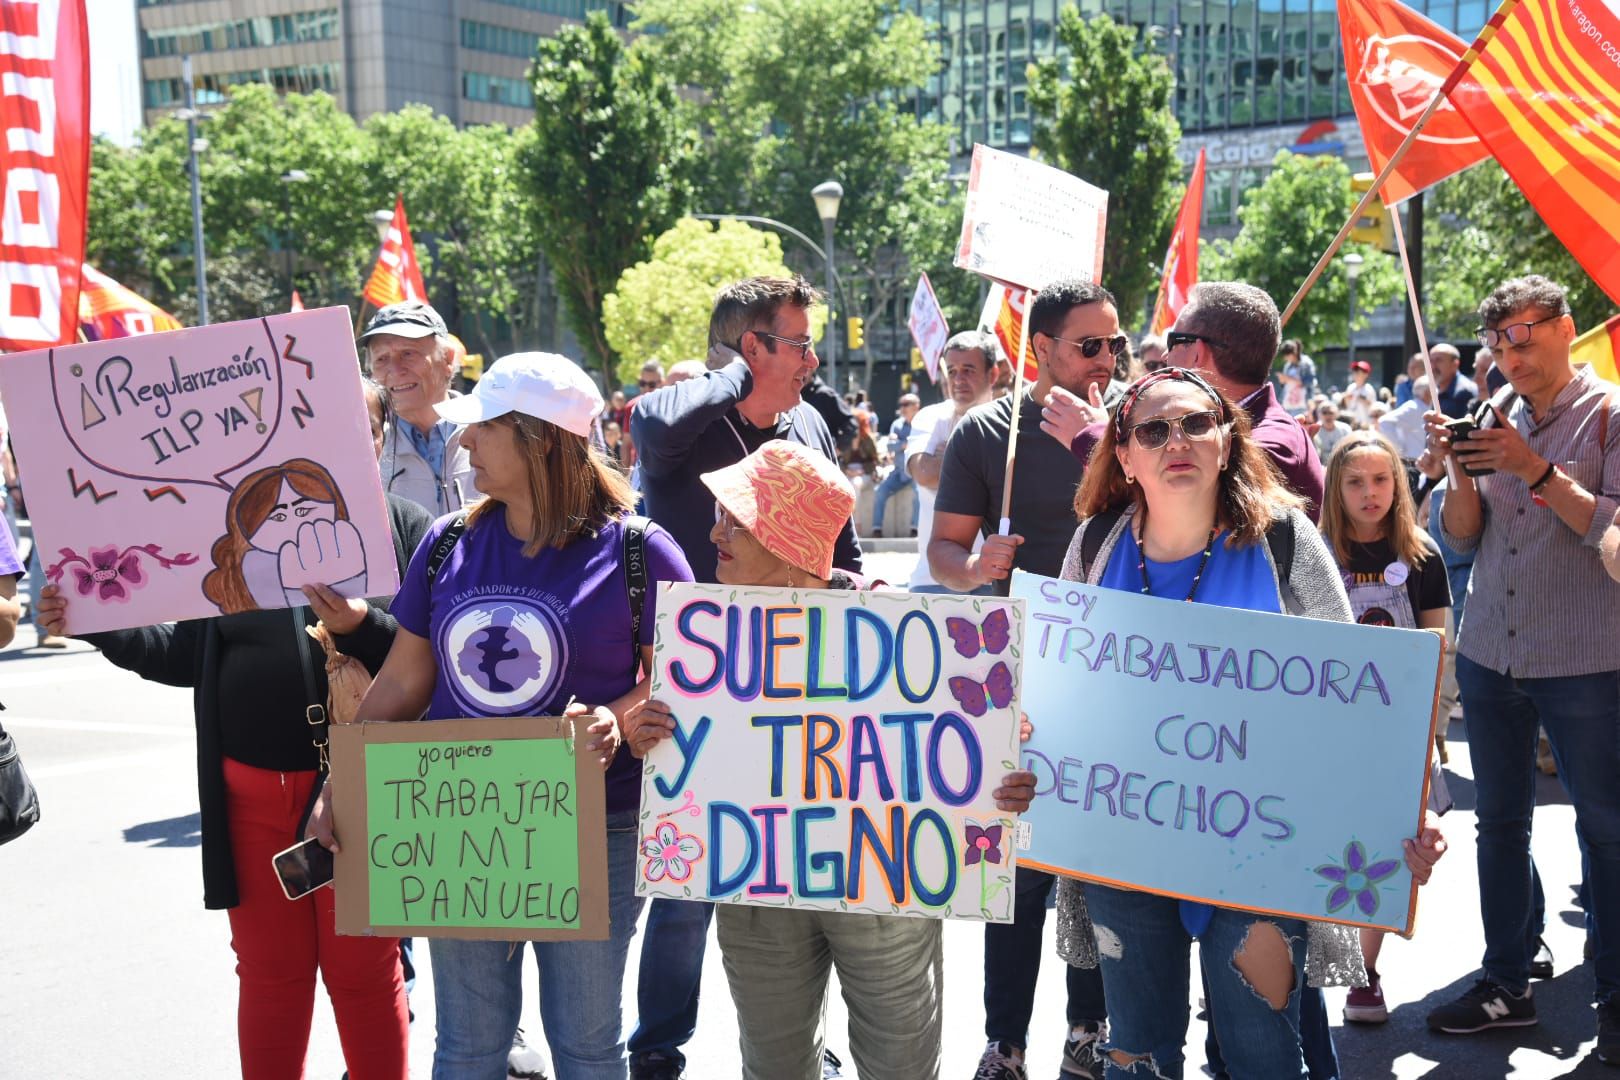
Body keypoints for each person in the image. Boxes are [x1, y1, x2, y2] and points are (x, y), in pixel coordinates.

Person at [1051, 366, 1443, 1079]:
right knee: (1136, 1053)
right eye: (1154, 430)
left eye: (1198, 423)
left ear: (1227, 442)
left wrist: (1400, 815)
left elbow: (1358, 701)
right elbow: (1048, 701)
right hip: (1122, 849)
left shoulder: (1286, 542)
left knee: (1263, 1051)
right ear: (1126, 456)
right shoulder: (1095, 544)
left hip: (1261, 853)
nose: (1178, 440)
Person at [313, 352, 695, 1078]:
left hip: (599, 827)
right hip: (458, 820)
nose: (463, 442)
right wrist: (342, 781)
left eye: (482, 428)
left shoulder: (642, 553)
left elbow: (688, 681)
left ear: (541, 438)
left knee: (586, 1045)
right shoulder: (448, 542)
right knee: (467, 1046)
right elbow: (400, 682)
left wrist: (617, 716)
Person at [38, 378, 430, 1080]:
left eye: (361, 430)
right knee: (271, 975)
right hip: (250, 798)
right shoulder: (230, 545)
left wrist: (357, 624)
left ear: (379, 441)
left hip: (365, 793)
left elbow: (424, 663)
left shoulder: (407, 529)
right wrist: (101, 626)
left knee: (365, 973)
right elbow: (183, 655)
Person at [624, 439, 1037, 1080]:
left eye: (735, 518)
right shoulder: (703, 639)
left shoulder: (901, 628)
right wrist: (647, 730)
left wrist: (1002, 776)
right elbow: (689, 754)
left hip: (886, 888)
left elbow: (990, 738)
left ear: (788, 534)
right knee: (774, 1065)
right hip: (754, 886)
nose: (714, 532)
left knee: (899, 1066)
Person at [628, 275, 861, 1080]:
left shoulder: (810, 428)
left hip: (799, 676)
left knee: (798, 871)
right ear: (752, 347)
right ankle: (658, 1044)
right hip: (698, 677)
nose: (813, 359)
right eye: (796, 343)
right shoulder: (684, 422)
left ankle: (802, 1042)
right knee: (691, 882)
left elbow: (841, 546)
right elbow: (646, 425)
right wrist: (739, 375)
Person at [1422, 276, 1620, 1059]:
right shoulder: (1490, 419)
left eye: (1528, 332)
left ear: (1567, 327)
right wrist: (1463, 470)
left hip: (1586, 656)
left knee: (1605, 831)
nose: (1514, 352)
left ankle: (1613, 997)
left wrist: (1534, 469)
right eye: (1500, 340)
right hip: (1490, 653)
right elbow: (1464, 540)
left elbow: (1611, 535)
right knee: (1499, 826)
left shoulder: (1608, 415)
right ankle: (1506, 978)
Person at [929, 277, 1121, 1080]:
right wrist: (976, 569)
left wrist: (1111, 436)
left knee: (1091, 869)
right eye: (1089, 346)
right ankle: (1005, 1040)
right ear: (1039, 348)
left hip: (1117, 676)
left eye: (1116, 344)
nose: (1107, 360)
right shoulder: (985, 434)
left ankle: (1088, 1027)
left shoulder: (1135, 423)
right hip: (1017, 678)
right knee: (1014, 868)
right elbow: (943, 552)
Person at [1316, 431, 1450, 1024]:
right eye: (1354, 482)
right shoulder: (1315, 556)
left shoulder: (1423, 557)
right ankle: (1306, 963)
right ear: (1335, 490)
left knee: (1387, 850)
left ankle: (1365, 972)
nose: (1369, 493)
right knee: (1322, 843)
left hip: (1399, 730)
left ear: (1396, 484)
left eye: (1379, 479)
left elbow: (1437, 647)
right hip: (1329, 729)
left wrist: (1427, 728)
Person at [363, 301, 480, 516]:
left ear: (447, 359)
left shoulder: (487, 431)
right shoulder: (366, 449)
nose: (395, 370)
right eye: (382, 359)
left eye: (408, 353)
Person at [908, 333, 1001, 595]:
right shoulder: (930, 416)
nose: (958, 379)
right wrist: (985, 468)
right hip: (932, 579)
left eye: (969, 370)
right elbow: (923, 472)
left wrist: (947, 456)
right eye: (952, 371)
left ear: (992, 375)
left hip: (994, 578)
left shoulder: (1009, 422)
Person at [870, 393, 920, 536]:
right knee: (880, 491)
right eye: (901, 405)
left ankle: (914, 529)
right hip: (898, 471)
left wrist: (901, 443)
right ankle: (876, 529)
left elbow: (920, 444)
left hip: (915, 470)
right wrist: (904, 443)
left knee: (919, 493)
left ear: (916, 406)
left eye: (906, 404)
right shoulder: (897, 424)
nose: (902, 408)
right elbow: (890, 446)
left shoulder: (923, 422)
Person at [1379, 376, 1431, 462]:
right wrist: (1399, 449)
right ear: (1427, 392)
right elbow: (1384, 422)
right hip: (1411, 461)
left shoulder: (1421, 407)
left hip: (1418, 461)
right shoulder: (1413, 407)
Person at [1427, 343, 1479, 420]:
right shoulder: (1437, 388)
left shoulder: (1464, 393)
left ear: (1455, 364)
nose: (1433, 366)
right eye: (1431, 361)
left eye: (1439, 360)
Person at [1339, 360, 1377, 428]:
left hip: (1366, 423)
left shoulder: (1369, 389)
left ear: (1366, 374)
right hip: (1352, 423)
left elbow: (1373, 407)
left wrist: (1362, 399)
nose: (1355, 374)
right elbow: (1347, 406)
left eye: (1358, 372)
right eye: (1354, 371)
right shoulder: (1350, 387)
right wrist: (1345, 398)